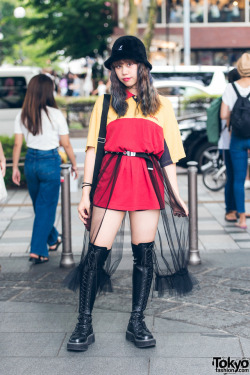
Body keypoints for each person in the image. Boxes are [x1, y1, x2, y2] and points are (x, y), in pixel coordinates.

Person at [66, 36, 196, 352]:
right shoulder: (104, 102)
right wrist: (85, 193)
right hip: (111, 181)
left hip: (147, 181)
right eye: (119, 65)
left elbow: (167, 156)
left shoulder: (162, 106)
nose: (125, 71)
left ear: (142, 67)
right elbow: (93, 151)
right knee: (96, 253)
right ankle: (84, 322)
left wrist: (176, 196)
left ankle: (136, 321)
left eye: (130, 64)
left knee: (144, 253)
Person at [12, 74, 78, 263]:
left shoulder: (23, 114)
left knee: (40, 206)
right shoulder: (55, 114)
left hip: (30, 163)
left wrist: (15, 167)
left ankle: (52, 239)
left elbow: (17, 145)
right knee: (45, 207)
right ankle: (38, 251)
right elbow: (65, 144)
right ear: (49, 91)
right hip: (49, 161)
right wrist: (74, 163)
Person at [221, 53, 250, 229]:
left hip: (237, 138)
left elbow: (223, 114)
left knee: (238, 180)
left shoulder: (231, 88)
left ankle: (242, 219)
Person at [219, 68, 240, 222]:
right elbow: (224, 120)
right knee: (232, 177)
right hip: (228, 144)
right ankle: (230, 210)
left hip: (230, 144)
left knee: (235, 178)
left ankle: (238, 209)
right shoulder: (229, 95)